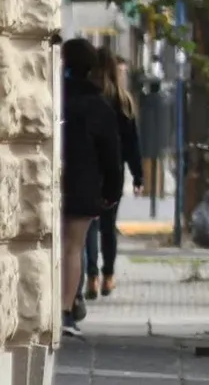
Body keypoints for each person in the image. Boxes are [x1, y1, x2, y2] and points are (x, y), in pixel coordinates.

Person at [59, 38, 123, 337]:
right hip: (83, 185)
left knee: (52, 246)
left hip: (50, 181)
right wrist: (111, 192)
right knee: (74, 247)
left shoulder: (54, 98)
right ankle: (65, 311)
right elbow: (112, 155)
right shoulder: (99, 106)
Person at [83, 48, 143, 300]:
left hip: (89, 169)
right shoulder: (123, 101)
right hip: (114, 171)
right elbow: (132, 143)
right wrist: (137, 174)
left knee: (89, 226)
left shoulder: (89, 98)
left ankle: (92, 277)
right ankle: (108, 275)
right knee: (108, 226)